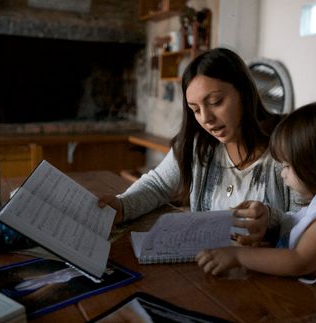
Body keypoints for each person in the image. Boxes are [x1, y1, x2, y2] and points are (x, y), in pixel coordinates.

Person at [99, 47, 295, 246]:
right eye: (195, 109)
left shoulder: (288, 146)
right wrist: (122, 205)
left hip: (267, 271)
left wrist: (271, 219)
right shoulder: (198, 144)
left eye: (215, 102)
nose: (206, 119)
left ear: (244, 93)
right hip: (207, 267)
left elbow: (312, 219)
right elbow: (158, 185)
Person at [196, 100, 316, 300]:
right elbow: (294, 229)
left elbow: (299, 261)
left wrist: (237, 256)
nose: (283, 174)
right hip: (307, 298)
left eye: (287, 166)